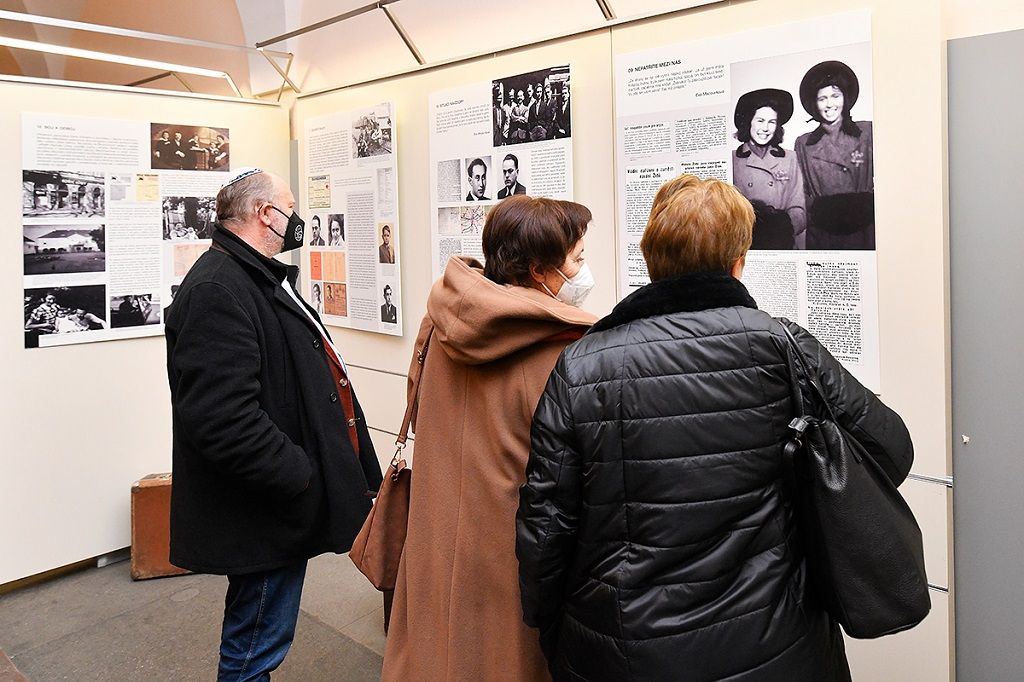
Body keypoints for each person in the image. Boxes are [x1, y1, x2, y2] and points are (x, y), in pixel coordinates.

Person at [516, 174, 913, 681]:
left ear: (651, 258)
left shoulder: (581, 367)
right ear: (738, 262)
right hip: (777, 641)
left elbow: (545, 529)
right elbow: (891, 451)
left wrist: (555, 632)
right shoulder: (782, 345)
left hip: (625, 649)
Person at [164, 167, 382, 680]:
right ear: (266, 214)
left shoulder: (248, 274)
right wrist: (299, 475)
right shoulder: (219, 287)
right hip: (265, 507)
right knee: (254, 643)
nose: (297, 218)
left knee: (260, 632)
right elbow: (221, 417)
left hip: (273, 502)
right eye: (289, 206)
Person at [383, 195, 598, 682]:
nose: (585, 270)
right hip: (512, 550)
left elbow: (418, 410)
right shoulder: (563, 351)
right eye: (578, 259)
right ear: (542, 270)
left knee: (438, 654)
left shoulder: (440, 323)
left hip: (436, 532)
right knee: (505, 660)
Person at [794, 61, 874, 250]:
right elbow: (802, 193)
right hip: (824, 235)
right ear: (814, 103)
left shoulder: (868, 132)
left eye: (835, 96)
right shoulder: (804, 143)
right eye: (822, 99)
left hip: (863, 231)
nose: (830, 104)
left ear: (845, 98)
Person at [732, 88, 807, 249]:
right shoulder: (732, 160)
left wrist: (782, 230)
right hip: (746, 248)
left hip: (783, 244)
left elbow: (799, 208)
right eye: (760, 121)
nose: (765, 128)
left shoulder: (790, 158)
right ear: (748, 122)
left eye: (771, 122)